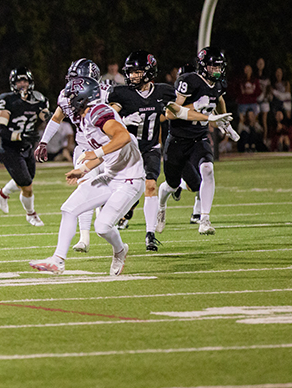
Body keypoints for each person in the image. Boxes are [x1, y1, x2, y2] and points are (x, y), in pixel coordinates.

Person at [29, 77, 141, 277]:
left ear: (83, 98)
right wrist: (85, 168)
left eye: (72, 98)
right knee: (69, 209)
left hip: (130, 179)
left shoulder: (99, 112)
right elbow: (105, 151)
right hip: (111, 174)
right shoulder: (84, 118)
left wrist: (95, 155)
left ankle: (120, 249)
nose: (68, 102)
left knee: (102, 227)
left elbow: (122, 137)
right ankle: (58, 260)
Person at [155, 47, 236, 236]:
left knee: (208, 169)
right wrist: (199, 109)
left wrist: (224, 121)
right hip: (178, 140)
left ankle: (204, 219)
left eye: (219, 67)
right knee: (172, 184)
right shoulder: (188, 81)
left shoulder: (218, 84)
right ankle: (161, 205)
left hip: (199, 137)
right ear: (203, 66)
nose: (217, 71)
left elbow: (218, 99)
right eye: (213, 67)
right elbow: (170, 113)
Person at [107, 51, 181, 251]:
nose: (132, 76)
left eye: (136, 72)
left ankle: (150, 234)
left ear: (148, 72)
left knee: (150, 185)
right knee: (126, 191)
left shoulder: (163, 92)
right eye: (130, 72)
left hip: (150, 147)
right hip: (128, 150)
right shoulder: (122, 94)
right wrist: (122, 120)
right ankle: (123, 213)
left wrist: (205, 118)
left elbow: (179, 109)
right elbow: (106, 119)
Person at [35, 58, 109, 251]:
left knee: (114, 194)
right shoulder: (66, 95)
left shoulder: (107, 93)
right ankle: (84, 238)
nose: (73, 84)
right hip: (85, 149)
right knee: (84, 188)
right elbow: (56, 117)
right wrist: (44, 141)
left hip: (108, 149)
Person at [0, 68, 50, 226]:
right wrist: (20, 136)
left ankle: (3, 193)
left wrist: (53, 115)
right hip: (10, 149)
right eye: (19, 81)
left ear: (30, 82)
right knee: (27, 185)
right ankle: (31, 214)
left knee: (26, 179)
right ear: (13, 83)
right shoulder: (7, 100)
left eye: (25, 81)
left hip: (26, 147)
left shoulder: (37, 99)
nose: (22, 84)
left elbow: (45, 116)